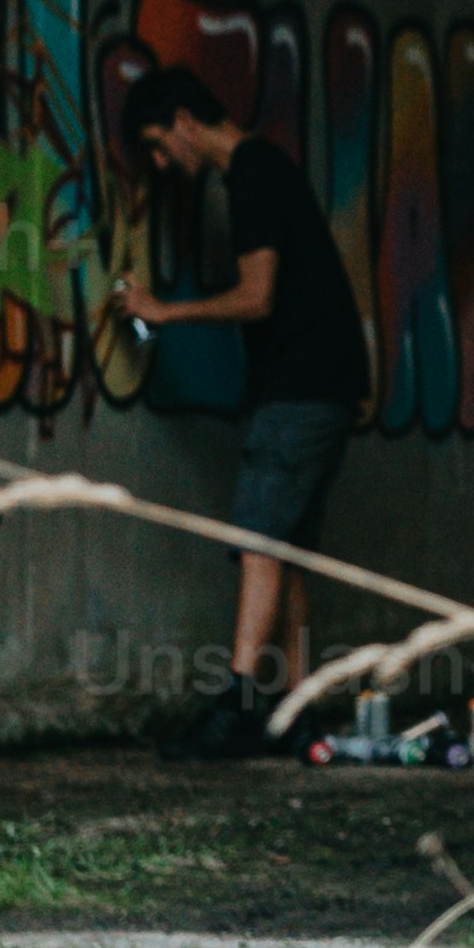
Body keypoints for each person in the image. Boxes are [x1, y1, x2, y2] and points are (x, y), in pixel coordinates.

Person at [114, 66, 366, 755]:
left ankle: (234, 707)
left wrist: (163, 310)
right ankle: (298, 710)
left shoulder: (250, 173)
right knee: (286, 551)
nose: (163, 164)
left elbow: (257, 297)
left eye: (159, 145)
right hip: (327, 384)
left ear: (185, 121)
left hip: (300, 387)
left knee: (259, 538)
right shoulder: (267, 169)